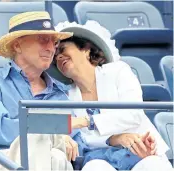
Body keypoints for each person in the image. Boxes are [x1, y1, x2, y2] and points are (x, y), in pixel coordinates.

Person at [0, 11, 74, 170]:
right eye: (42, 40)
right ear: (17, 45)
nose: (51, 48)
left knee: (57, 157)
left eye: (54, 42)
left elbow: (76, 143)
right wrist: (54, 134)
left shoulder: (60, 94)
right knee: (39, 139)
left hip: (50, 163)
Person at [54, 21, 173, 171]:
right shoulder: (65, 95)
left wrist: (87, 121)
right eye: (55, 56)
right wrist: (113, 139)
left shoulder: (118, 71)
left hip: (140, 152)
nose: (58, 57)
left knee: (152, 165)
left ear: (86, 49)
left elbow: (133, 113)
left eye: (63, 50)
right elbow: (81, 139)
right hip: (97, 158)